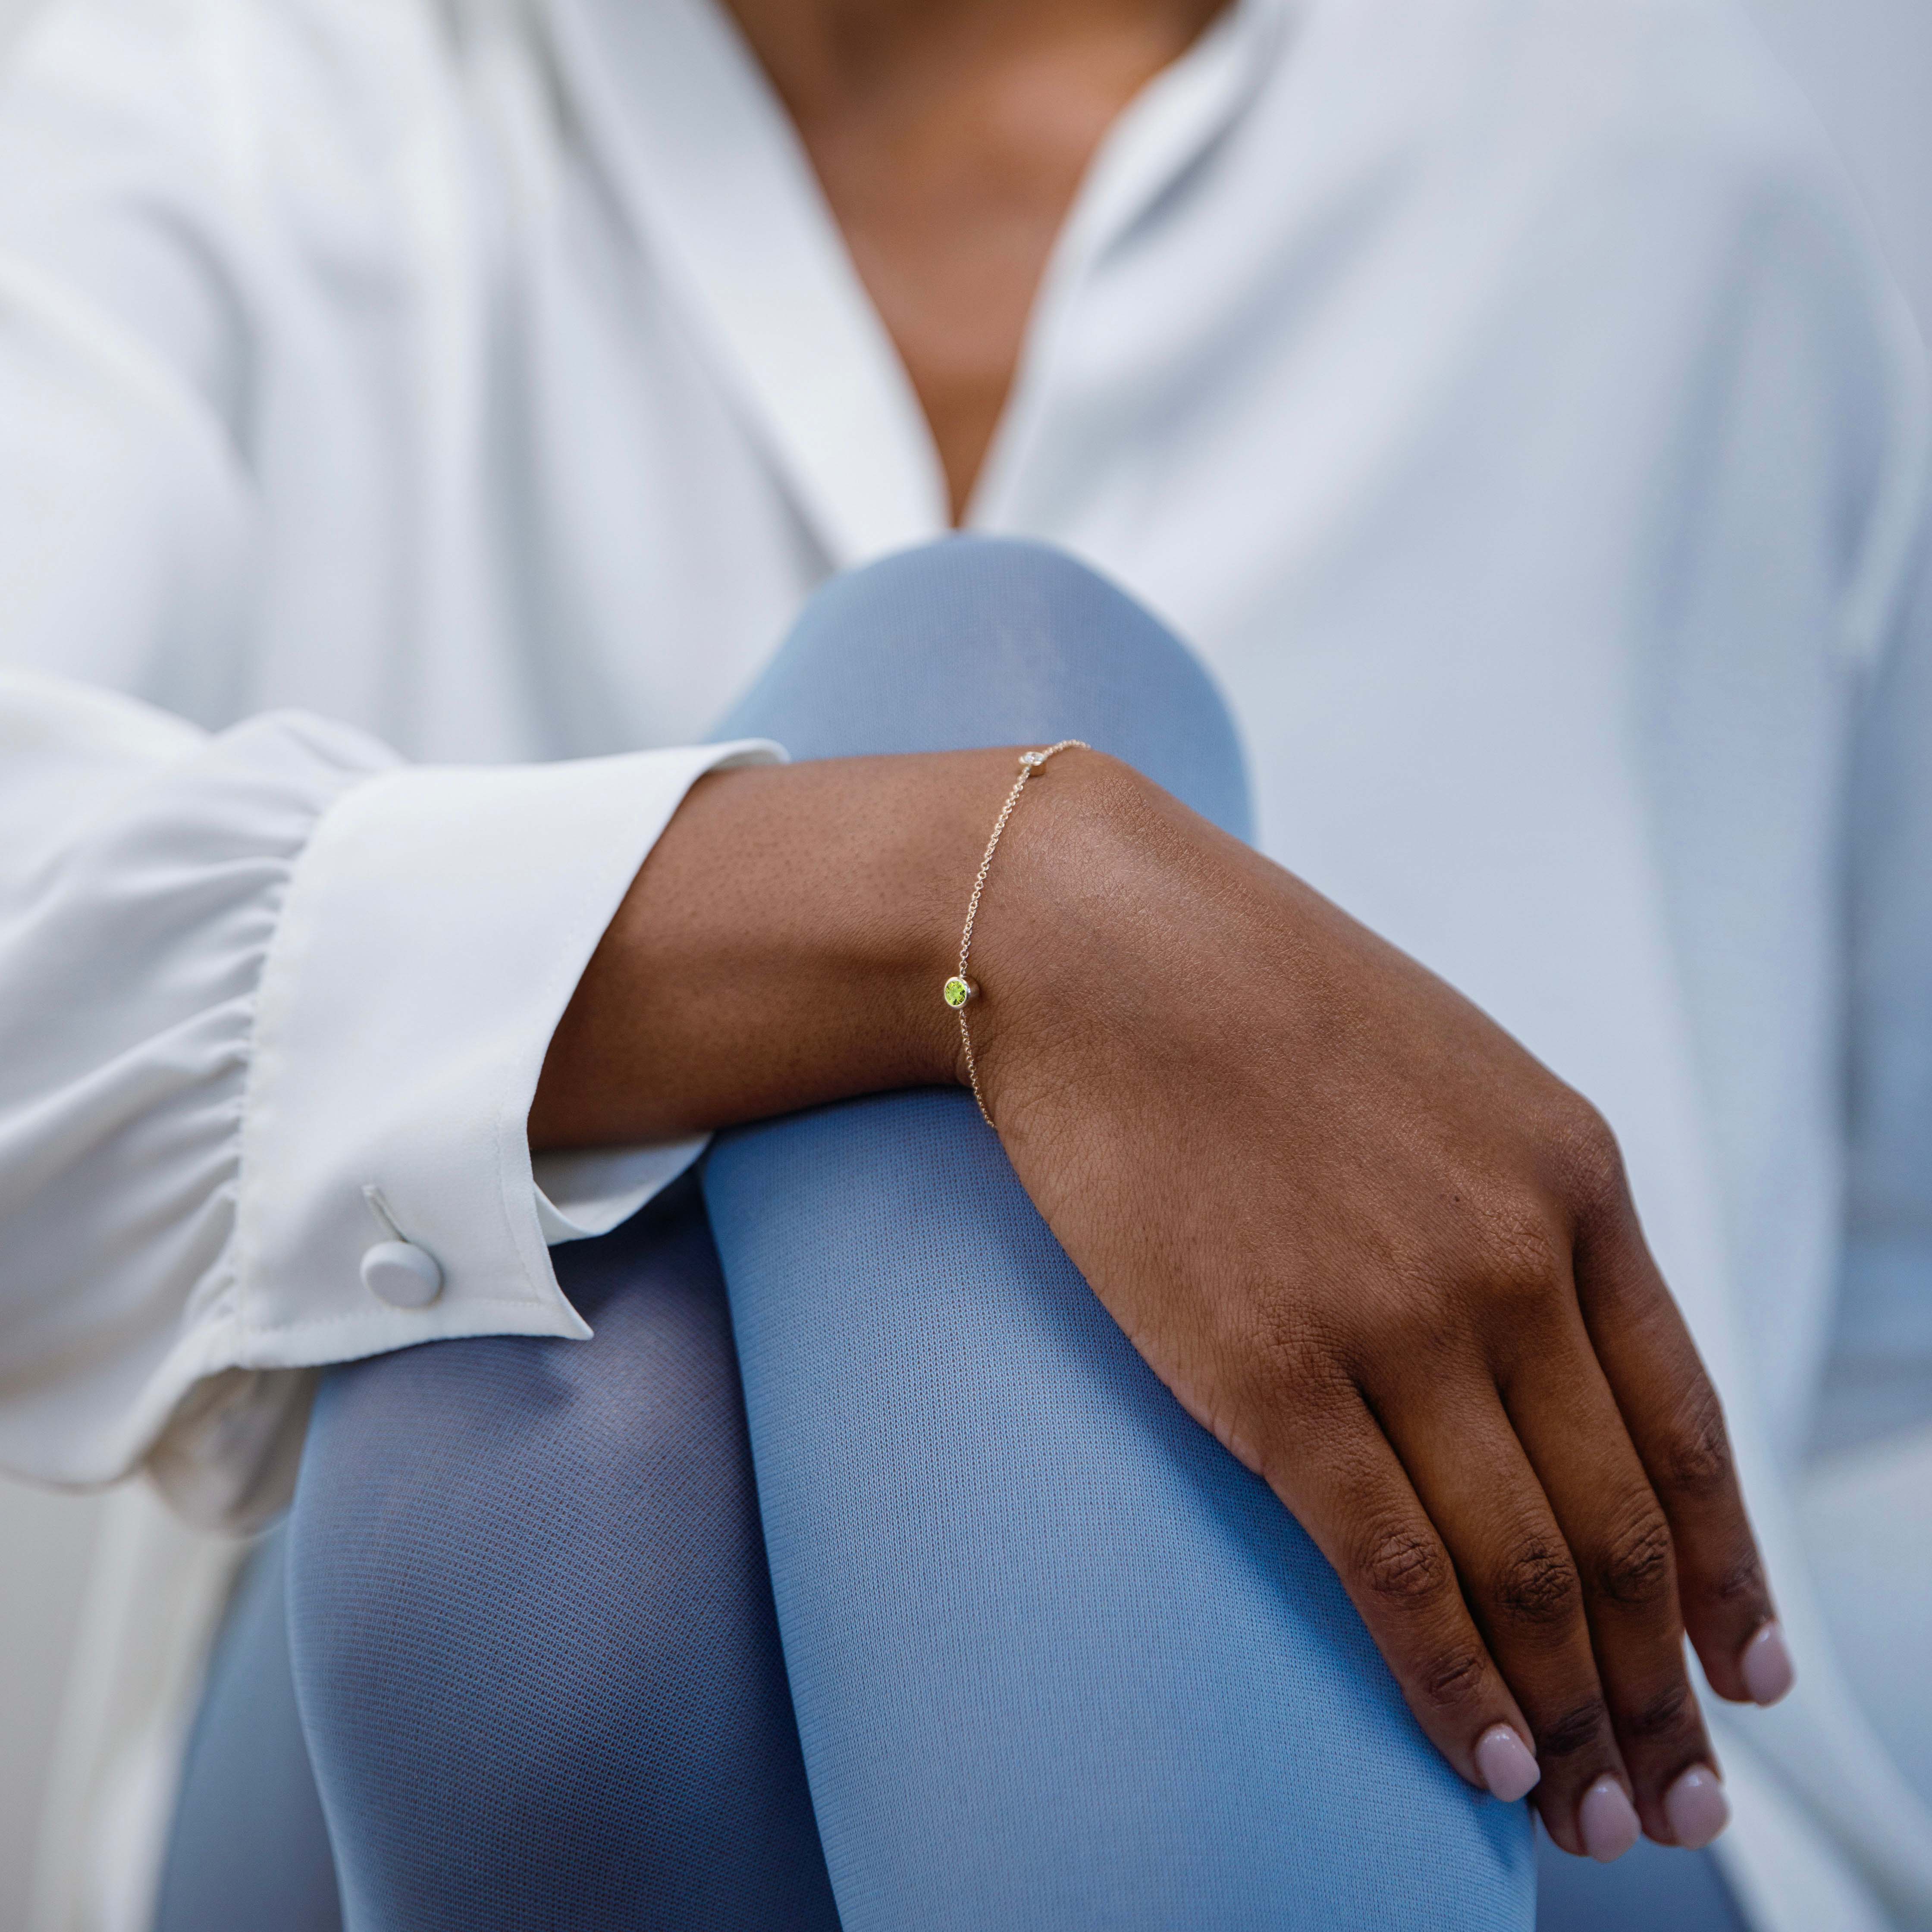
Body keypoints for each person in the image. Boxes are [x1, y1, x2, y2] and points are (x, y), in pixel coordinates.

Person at [0, 0, 1926, 1923]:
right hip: (356, 1753)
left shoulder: (1656, 186)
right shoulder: (211, 98)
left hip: (1571, 1790)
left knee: (571, 1461)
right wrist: (992, 904)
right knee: (577, 1413)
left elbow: (1887, 1364)